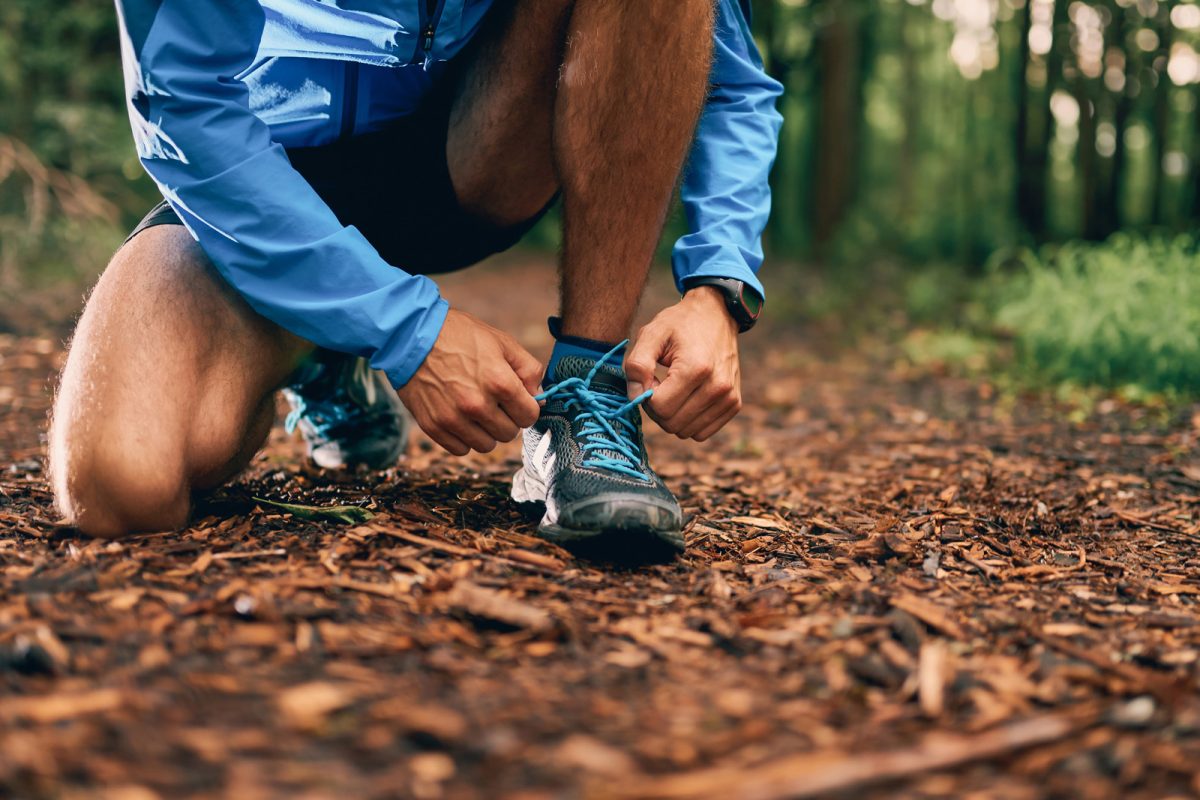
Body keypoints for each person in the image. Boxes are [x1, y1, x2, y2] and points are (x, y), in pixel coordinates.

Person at [48, 0, 782, 557]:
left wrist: (719, 284)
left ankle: (586, 390)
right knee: (120, 485)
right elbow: (185, 104)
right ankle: (319, 346)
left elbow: (731, 76)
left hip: (467, 151)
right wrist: (405, 331)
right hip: (259, 182)